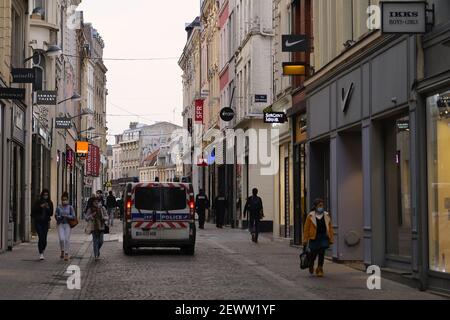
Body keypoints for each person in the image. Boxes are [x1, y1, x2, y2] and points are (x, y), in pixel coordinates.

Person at [302, 199, 334, 278]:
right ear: (315, 206)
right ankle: (311, 264)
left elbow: (330, 227)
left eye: (322, 205)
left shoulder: (326, 215)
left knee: (321, 253)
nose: (321, 207)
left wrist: (331, 238)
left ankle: (320, 268)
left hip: (323, 236)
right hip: (314, 237)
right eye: (319, 205)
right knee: (313, 253)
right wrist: (305, 240)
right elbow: (306, 229)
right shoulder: (310, 216)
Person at [31, 189, 54, 260]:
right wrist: (41, 206)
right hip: (38, 221)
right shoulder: (38, 202)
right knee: (40, 236)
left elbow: (51, 213)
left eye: (47, 195)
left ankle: (43, 249)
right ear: (42, 195)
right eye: (44, 195)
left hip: (45, 222)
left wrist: (47, 208)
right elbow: (33, 210)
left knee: (44, 238)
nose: (45, 196)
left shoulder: (50, 203)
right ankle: (41, 252)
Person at [85, 195, 109, 260]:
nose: (96, 203)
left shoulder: (102, 208)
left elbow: (107, 216)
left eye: (97, 202)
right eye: (95, 202)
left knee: (101, 241)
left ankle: (97, 250)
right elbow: (86, 218)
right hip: (94, 227)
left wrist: (104, 218)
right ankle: (96, 255)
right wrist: (91, 216)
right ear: (92, 202)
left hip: (101, 227)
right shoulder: (90, 209)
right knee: (95, 241)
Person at [55, 192, 76, 261]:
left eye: (66, 199)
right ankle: (62, 250)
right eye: (63, 199)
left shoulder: (70, 207)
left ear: (68, 200)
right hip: (60, 224)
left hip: (67, 224)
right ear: (61, 200)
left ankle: (66, 253)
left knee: (66, 239)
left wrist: (67, 216)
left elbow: (73, 216)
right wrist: (60, 216)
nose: (64, 201)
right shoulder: (58, 207)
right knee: (61, 239)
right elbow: (56, 215)